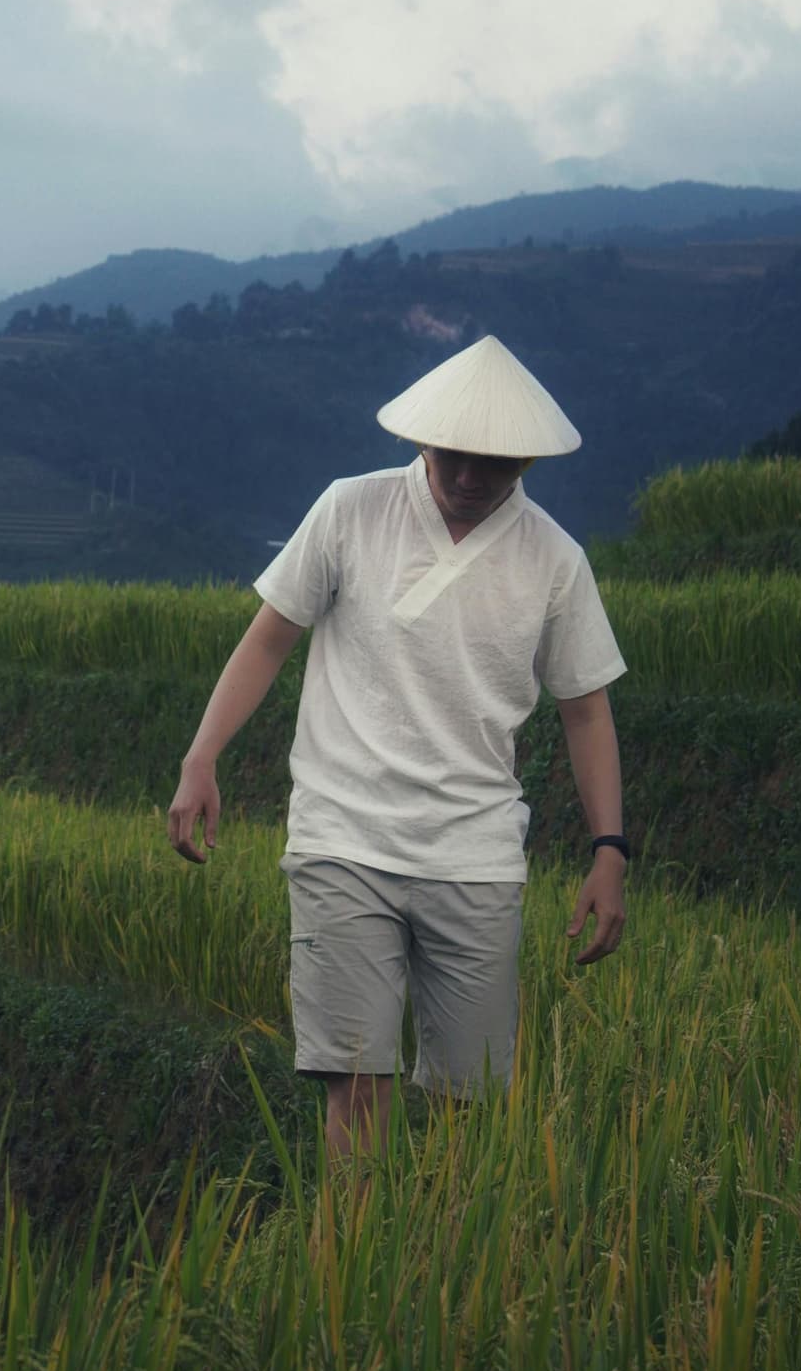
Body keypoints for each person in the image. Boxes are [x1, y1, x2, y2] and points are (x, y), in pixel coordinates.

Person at [165, 335, 629, 1159]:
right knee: (357, 1081)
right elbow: (269, 638)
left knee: (470, 1104)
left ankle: (437, 1238)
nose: (469, 478)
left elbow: (586, 712)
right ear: (423, 441)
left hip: (475, 853)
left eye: (495, 464)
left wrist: (609, 851)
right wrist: (201, 758)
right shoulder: (351, 510)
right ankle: (348, 1239)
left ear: (526, 460)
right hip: (344, 837)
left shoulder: (556, 561)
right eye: (453, 456)